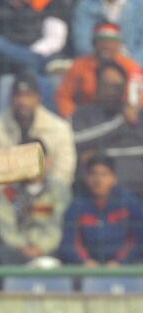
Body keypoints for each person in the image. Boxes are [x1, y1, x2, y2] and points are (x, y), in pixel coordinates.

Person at [72, 60, 143, 197]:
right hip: (96, 192)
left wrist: (99, 150)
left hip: (138, 188)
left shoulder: (138, 115)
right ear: (97, 86)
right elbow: (75, 141)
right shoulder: (82, 115)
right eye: (106, 85)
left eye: (116, 86)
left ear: (124, 88)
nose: (111, 91)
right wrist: (121, 122)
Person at [59, 153, 143, 265]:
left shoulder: (130, 203)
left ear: (114, 178)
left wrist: (120, 262)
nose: (98, 180)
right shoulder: (76, 205)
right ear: (87, 178)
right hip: (86, 270)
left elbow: (139, 241)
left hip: (125, 269)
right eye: (93, 174)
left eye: (104, 175)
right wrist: (85, 262)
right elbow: (68, 244)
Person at [56, 22, 141, 119]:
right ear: (94, 44)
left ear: (119, 45)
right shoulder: (78, 66)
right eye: (102, 41)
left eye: (111, 42)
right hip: (85, 117)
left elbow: (138, 98)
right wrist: (71, 116)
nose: (106, 46)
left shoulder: (132, 68)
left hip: (119, 118)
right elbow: (64, 96)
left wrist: (131, 111)